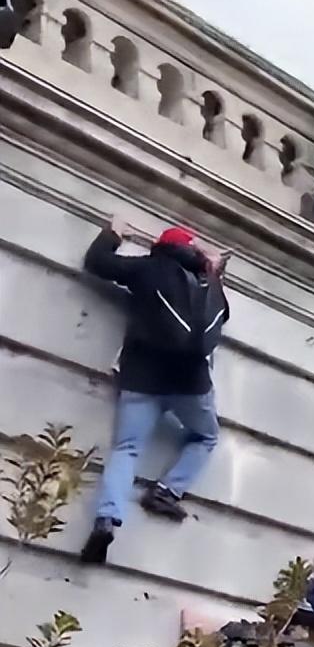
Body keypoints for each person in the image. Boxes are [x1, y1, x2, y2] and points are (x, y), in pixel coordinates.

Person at [80, 219, 229, 565]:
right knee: (206, 437)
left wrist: (114, 233)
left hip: (141, 381)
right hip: (191, 387)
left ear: (160, 247)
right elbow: (221, 318)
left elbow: (97, 263)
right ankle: (166, 491)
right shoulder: (206, 282)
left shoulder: (148, 269)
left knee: (127, 449)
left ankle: (106, 519)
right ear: (193, 252)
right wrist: (214, 269)